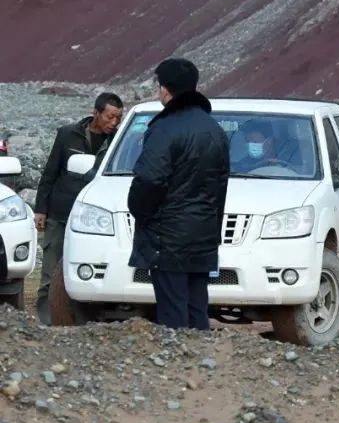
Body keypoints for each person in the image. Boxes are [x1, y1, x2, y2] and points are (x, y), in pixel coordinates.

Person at [128, 58, 229, 330]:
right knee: (197, 308)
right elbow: (221, 186)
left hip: (168, 237)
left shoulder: (164, 128)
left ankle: (176, 368)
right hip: (203, 235)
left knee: (172, 313)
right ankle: (202, 365)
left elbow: (149, 179)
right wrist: (212, 227)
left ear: (165, 89)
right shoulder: (215, 130)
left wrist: (140, 211)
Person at [33, 92, 124, 323]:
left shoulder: (119, 141)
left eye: (118, 119)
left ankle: (84, 323)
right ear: (96, 113)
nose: (114, 123)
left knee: (89, 271)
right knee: (50, 273)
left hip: (97, 221)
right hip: (61, 214)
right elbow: (50, 172)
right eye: (110, 117)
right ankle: (46, 322)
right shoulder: (67, 135)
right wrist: (41, 209)